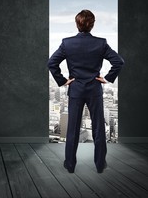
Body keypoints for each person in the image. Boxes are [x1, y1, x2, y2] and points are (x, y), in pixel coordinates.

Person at [47, 9, 124, 173]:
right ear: (92, 25)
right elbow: (118, 62)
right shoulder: (101, 43)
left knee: (72, 128)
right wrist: (107, 78)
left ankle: (69, 164)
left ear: (77, 24)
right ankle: (100, 165)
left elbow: (51, 63)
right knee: (98, 128)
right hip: (94, 89)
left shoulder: (67, 43)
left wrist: (63, 81)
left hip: (75, 89)